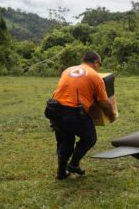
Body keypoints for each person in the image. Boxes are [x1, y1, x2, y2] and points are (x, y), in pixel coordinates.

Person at [49, 52, 116, 180]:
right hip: (74, 112)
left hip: (54, 110)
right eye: (99, 65)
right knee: (89, 138)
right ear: (96, 63)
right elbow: (104, 103)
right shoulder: (95, 76)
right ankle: (74, 164)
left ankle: (61, 173)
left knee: (65, 141)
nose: (99, 67)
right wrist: (112, 116)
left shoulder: (67, 70)